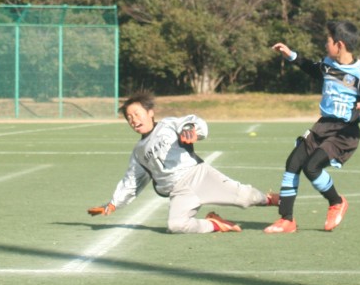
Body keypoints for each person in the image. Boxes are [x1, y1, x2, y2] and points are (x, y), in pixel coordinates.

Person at [87, 91, 278, 233]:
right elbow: (131, 181)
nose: (134, 120)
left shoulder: (168, 124)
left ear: (150, 112)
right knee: (176, 226)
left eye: (137, 114)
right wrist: (113, 204)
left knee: (245, 198)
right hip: (179, 191)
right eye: (129, 118)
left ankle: (272, 199)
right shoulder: (138, 152)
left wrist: (191, 129)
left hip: (199, 176)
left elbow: (194, 122)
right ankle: (215, 223)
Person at [264, 20, 360, 234]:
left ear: (339, 44)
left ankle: (337, 202)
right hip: (323, 126)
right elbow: (312, 69)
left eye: (327, 41)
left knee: (312, 167)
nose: (324, 45)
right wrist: (291, 55)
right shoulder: (328, 63)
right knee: (294, 162)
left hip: (343, 132)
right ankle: (287, 220)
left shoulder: (359, 73)